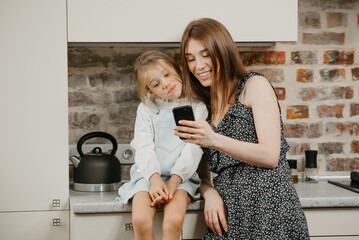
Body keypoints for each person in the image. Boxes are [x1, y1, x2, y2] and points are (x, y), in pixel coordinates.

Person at [174, 18, 310, 239]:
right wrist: (208, 192)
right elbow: (201, 172)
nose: (198, 66)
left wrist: (214, 139)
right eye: (190, 59)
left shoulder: (254, 86)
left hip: (270, 211)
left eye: (206, 55)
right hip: (229, 216)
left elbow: (270, 155)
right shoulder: (204, 108)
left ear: (223, 50)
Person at [117, 50, 208, 240]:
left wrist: (174, 181)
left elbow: (193, 149)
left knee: (172, 222)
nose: (166, 84)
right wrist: (154, 179)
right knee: (141, 220)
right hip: (148, 176)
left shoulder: (198, 107)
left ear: (177, 70)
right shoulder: (146, 108)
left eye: (167, 74)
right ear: (151, 91)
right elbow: (143, 146)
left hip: (182, 178)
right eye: (156, 84)